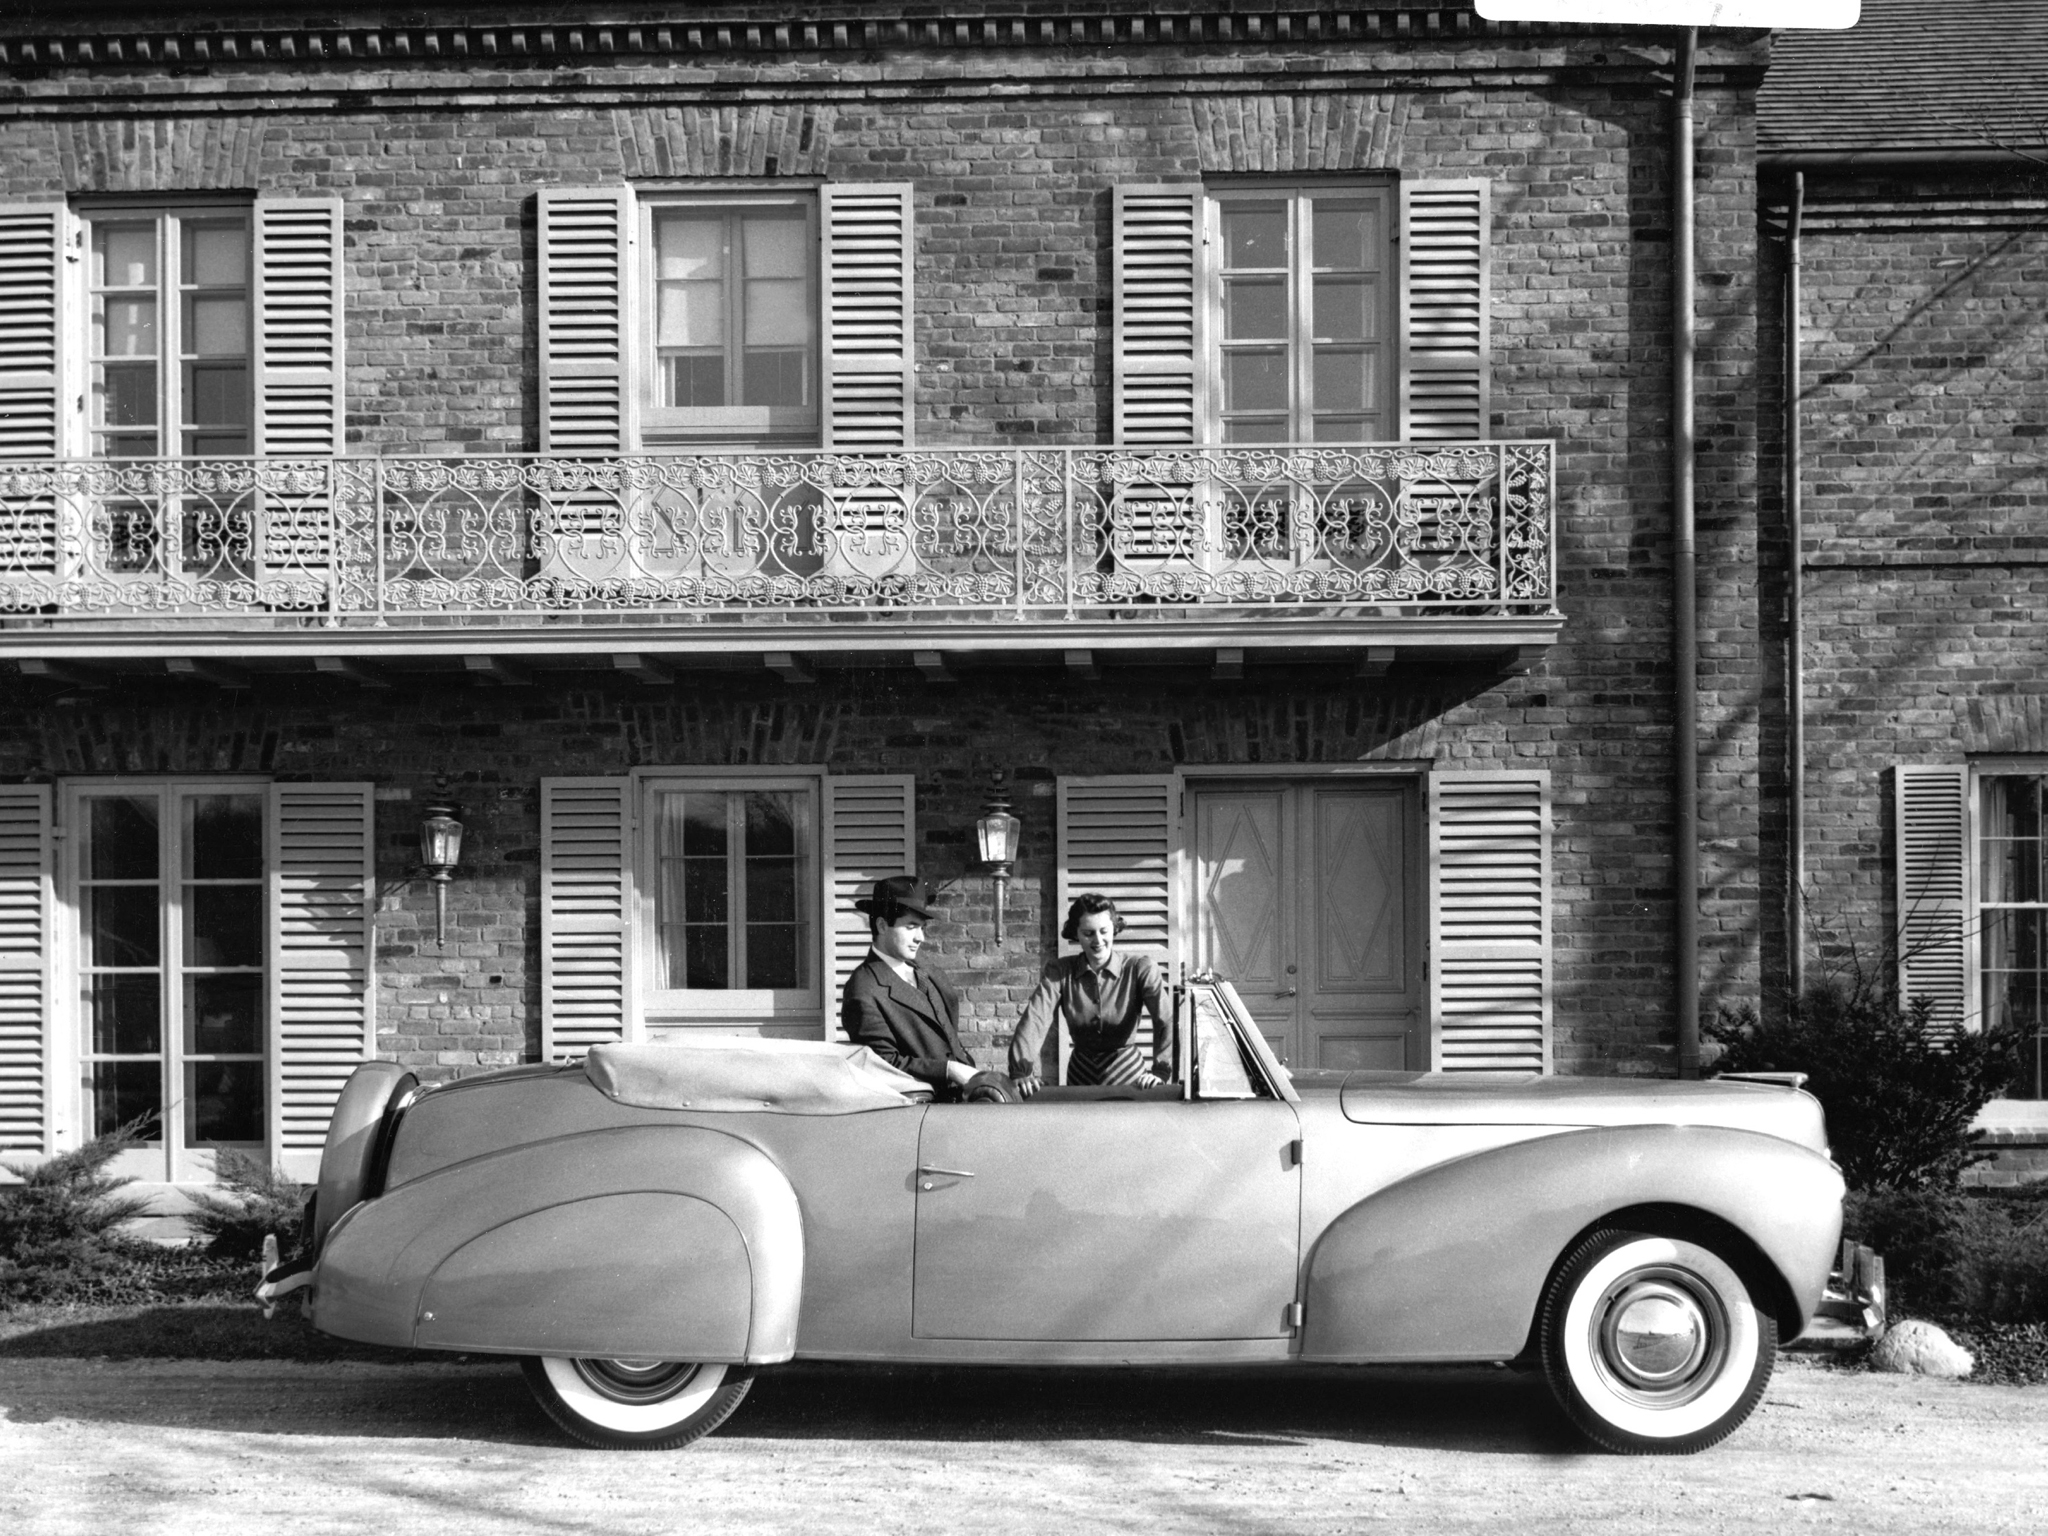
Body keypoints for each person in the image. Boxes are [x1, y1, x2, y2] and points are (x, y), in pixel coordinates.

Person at [1008, 893, 1171, 1097]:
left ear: (1114, 928)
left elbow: (1166, 1020)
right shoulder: (1061, 971)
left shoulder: (1140, 969)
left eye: (1104, 931)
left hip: (1128, 1078)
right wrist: (1021, 1071)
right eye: (1088, 933)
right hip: (1080, 1078)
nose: (1098, 940)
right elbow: (1035, 1019)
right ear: (1076, 933)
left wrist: (1161, 1072)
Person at [840, 875, 981, 1096]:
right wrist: (948, 1070)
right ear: (882, 925)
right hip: (923, 1109)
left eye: (922, 927)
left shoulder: (927, 970)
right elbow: (883, 1064)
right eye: (911, 927)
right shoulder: (863, 989)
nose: (920, 937)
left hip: (964, 1098)